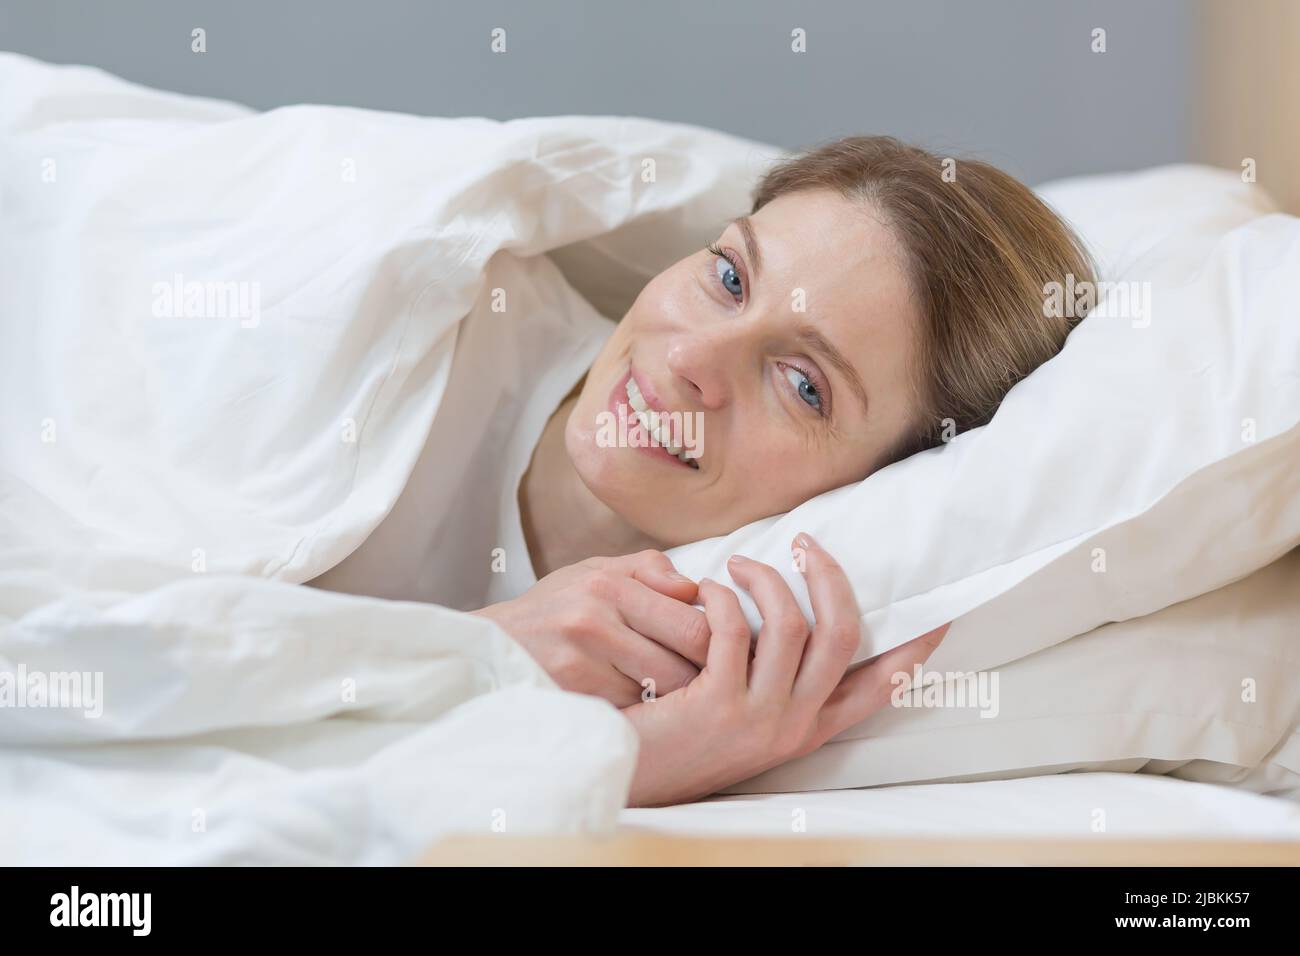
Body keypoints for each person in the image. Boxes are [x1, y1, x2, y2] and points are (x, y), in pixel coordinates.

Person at [311, 135, 1097, 806]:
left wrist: (628, 763)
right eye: (729, 279)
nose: (688, 358)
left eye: (801, 385)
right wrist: (486, 657)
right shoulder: (394, 319)